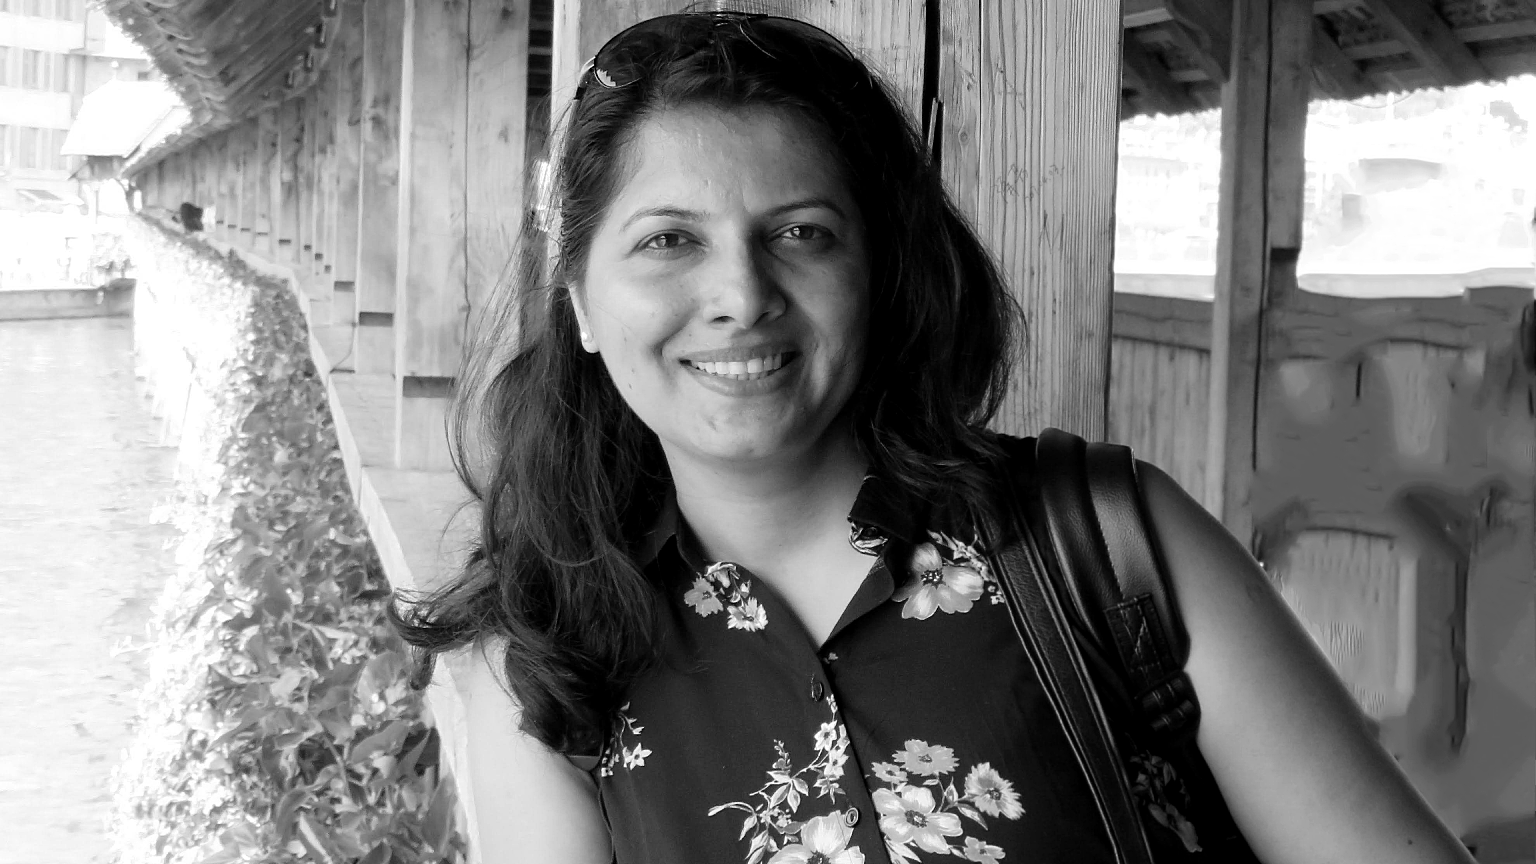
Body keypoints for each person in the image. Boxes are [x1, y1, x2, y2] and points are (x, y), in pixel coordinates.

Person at [391, 12, 1476, 864]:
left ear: (880, 271)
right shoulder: (542, 658)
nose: (740, 294)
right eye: (668, 240)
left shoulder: (1102, 541)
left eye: (801, 234)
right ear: (577, 300)